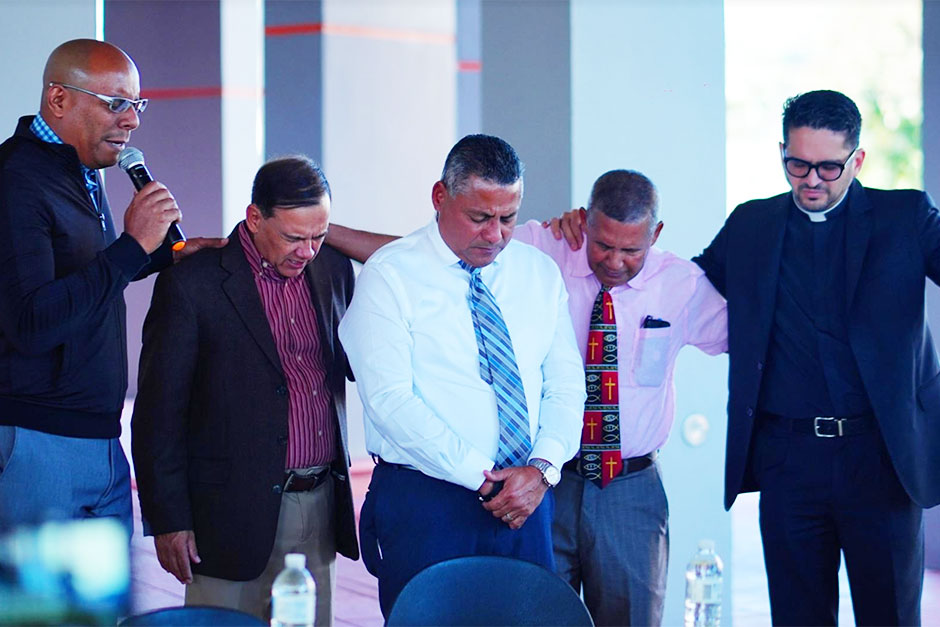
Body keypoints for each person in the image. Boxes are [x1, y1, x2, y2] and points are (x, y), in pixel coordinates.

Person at [329, 169, 728, 626]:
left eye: (631, 250)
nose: (614, 261)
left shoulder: (681, 284)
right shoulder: (541, 247)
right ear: (585, 219)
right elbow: (436, 251)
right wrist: (321, 232)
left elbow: (751, 338)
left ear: (655, 235)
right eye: (603, 245)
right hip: (521, 487)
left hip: (615, 486)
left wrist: (539, 472)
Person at [693, 89, 940, 626]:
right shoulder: (751, 224)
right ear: (782, 151)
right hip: (789, 461)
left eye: (829, 167)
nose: (811, 180)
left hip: (882, 455)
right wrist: (584, 245)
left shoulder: (906, 217)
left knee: (892, 616)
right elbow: (685, 286)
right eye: (797, 163)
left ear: (858, 159)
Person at [337, 134, 585, 617]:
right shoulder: (390, 277)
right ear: (440, 197)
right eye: (479, 218)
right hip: (429, 503)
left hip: (527, 502)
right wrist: (487, 478)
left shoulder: (538, 273)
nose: (494, 235)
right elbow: (390, 402)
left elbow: (564, 385)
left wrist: (543, 469)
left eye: (507, 218)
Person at [0, 39, 221, 535]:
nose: (132, 121)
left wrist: (169, 253)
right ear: (59, 100)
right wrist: (132, 244)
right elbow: (33, 323)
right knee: (42, 613)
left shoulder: (79, 171)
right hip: (39, 441)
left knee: (102, 614)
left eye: (137, 105)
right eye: (117, 103)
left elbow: (85, 275)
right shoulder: (16, 180)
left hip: (100, 438)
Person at [131, 156, 358, 626]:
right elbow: (158, 414)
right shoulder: (193, 283)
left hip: (318, 504)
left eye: (319, 235)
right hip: (226, 516)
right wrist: (168, 519)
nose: (308, 251)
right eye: (294, 237)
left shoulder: (333, 269)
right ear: (254, 218)